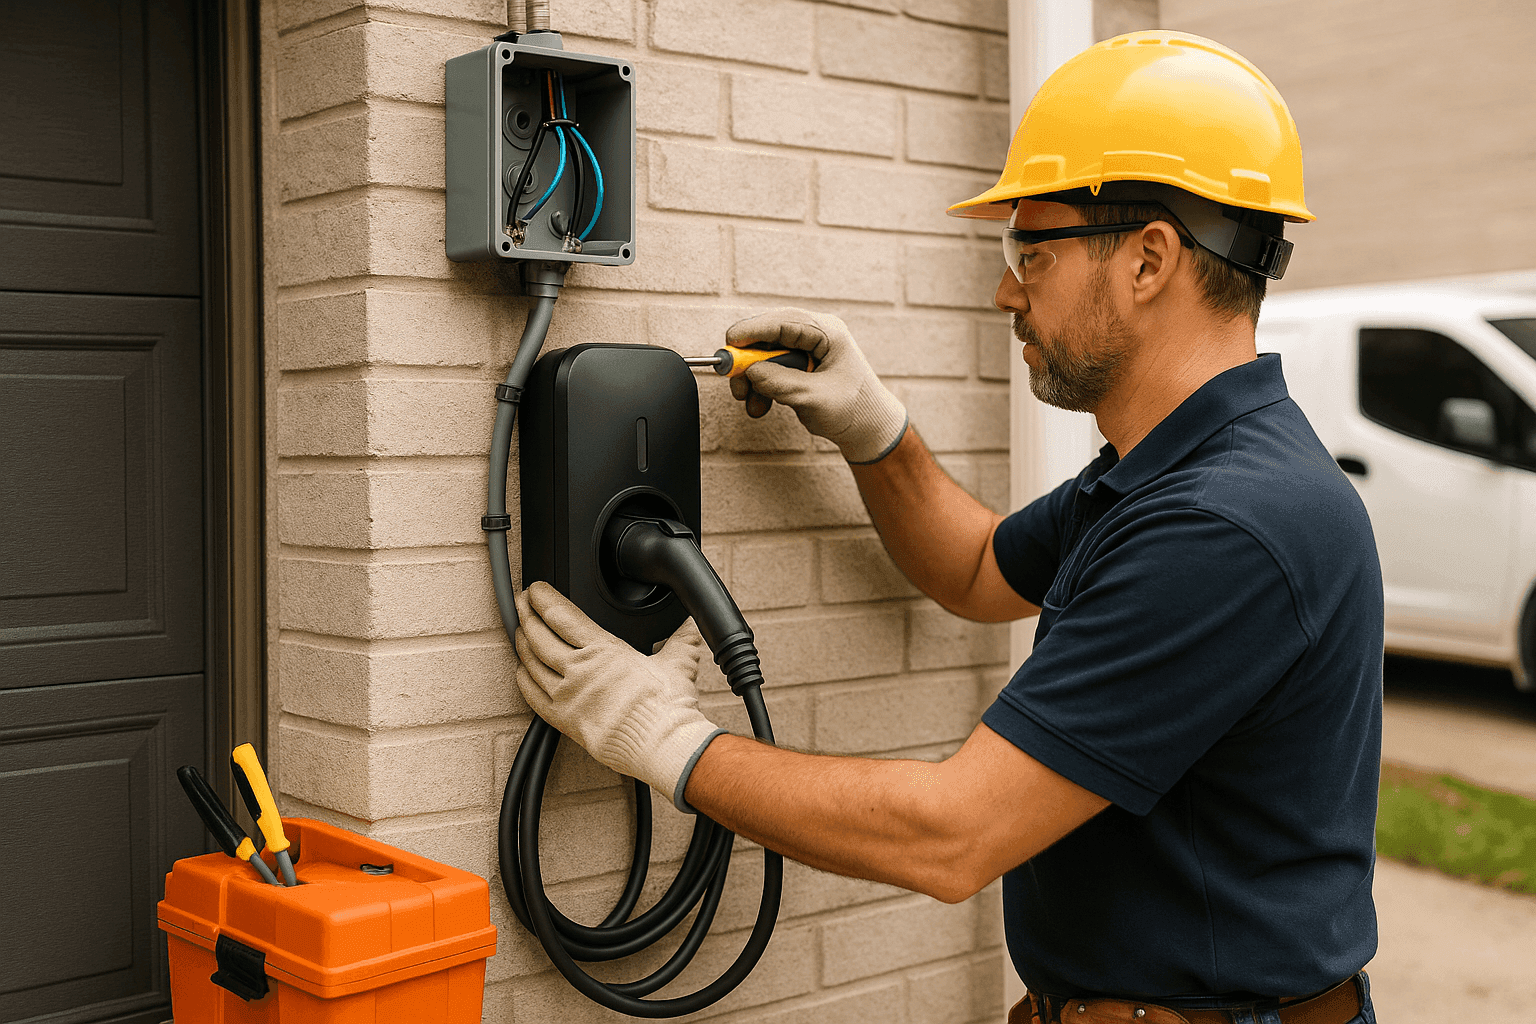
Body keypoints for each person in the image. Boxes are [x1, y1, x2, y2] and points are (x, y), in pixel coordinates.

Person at [512, 31, 1383, 1024]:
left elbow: (952, 836)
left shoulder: (1226, 524)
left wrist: (663, 739)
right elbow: (977, 568)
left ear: (1149, 260)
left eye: (1030, 247)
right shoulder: (1167, 474)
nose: (1007, 290)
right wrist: (873, 432)